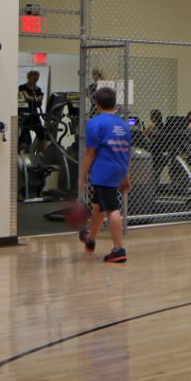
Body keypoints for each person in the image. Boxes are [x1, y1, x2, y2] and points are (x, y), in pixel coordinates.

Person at [77, 86, 132, 264]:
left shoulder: (95, 123)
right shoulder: (123, 125)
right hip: (119, 168)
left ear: (97, 104)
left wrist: (82, 176)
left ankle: (118, 249)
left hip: (103, 171)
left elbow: (90, 152)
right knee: (98, 206)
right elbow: (126, 152)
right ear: (115, 104)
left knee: (111, 208)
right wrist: (125, 175)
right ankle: (91, 239)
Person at [17, 71, 45, 152]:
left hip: (34, 113)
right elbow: (27, 97)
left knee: (42, 134)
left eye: (37, 78)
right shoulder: (22, 87)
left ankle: (39, 154)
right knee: (25, 135)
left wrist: (36, 99)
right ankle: (24, 152)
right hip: (25, 113)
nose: (35, 80)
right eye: (34, 78)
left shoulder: (38, 89)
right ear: (29, 77)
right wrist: (36, 98)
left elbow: (39, 103)